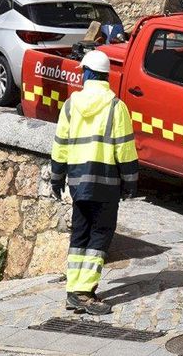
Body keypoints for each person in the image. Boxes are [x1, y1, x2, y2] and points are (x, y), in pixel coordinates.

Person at [49, 50, 138, 315]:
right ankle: (83, 293)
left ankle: (73, 290)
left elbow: (60, 144)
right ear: (106, 76)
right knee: (100, 234)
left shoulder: (70, 105)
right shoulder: (116, 107)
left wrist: (57, 177)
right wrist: (130, 181)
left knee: (80, 234)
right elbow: (125, 148)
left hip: (78, 182)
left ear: (87, 74)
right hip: (106, 183)